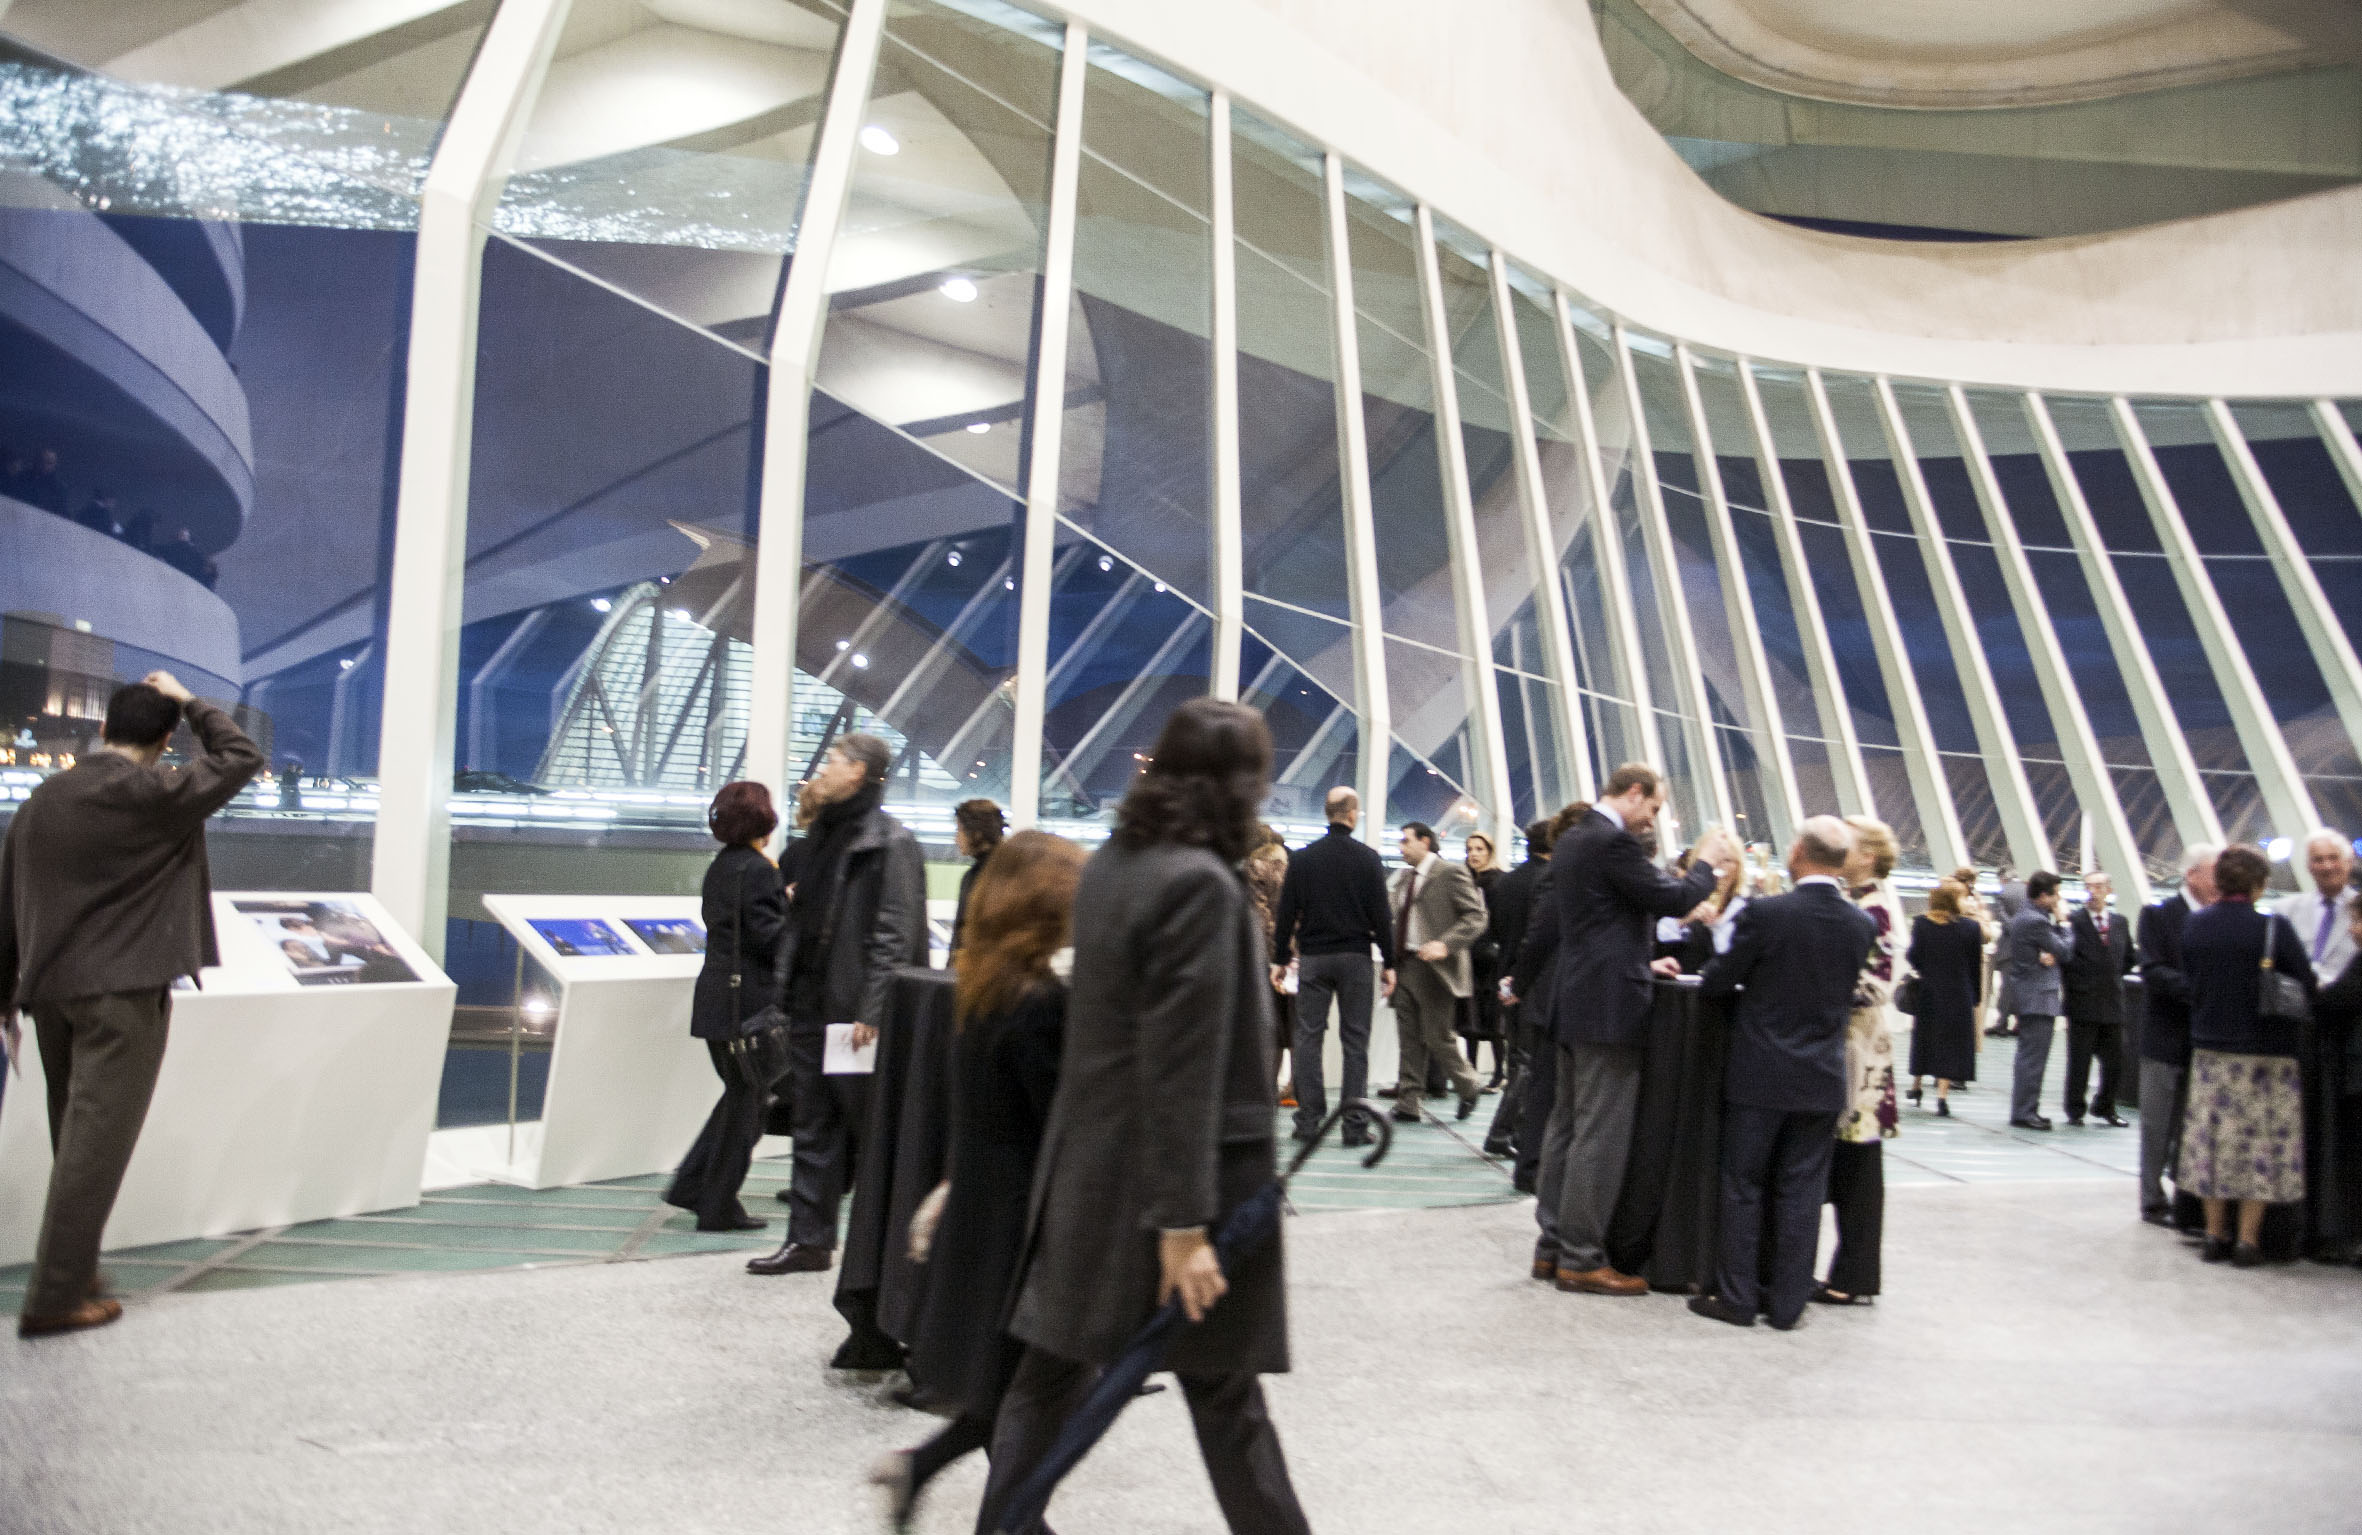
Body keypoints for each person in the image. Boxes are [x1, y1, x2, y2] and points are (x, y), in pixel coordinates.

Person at [978, 700, 1310, 1535]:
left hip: (1094, 1164)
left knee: (1058, 1373)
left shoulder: (1119, 865)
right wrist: (1183, 1221)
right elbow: (1184, 1059)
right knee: (1223, 1391)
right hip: (1172, 1178)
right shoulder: (1199, 882)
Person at [0, 672, 264, 1337]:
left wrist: (7, 989)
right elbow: (240, 757)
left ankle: (77, 1269)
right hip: (121, 997)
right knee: (97, 1149)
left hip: (50, 992)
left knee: (75, 1141)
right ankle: (55, 1297)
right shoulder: (154, 792)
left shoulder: (44, 797)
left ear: (101, 730)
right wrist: (191, 699)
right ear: (167, 735)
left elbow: (9, 897)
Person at [876, 830, 1083, 1531]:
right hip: (1023, 1217)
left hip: (983, 1205)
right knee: (1033, 1391)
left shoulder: (984, 985)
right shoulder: (1042, 1002)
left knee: (1009, 1389)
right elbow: (1058, 1120)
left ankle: (926, 1474)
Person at [1530, 765, 1733, 1295]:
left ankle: (1552, 1246)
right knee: (1600, 1132)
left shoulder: (1575, 839)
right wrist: (1708, 862)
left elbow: (1605, 920)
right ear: (1635, 793)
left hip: (1576, 998)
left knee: (1567, 1127)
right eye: (1654, 809)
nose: (1653, 820)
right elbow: (1672, 899)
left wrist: (1643, 961)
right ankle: (1581, 1257)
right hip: (1609, 1006)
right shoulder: (1612, 842)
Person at [747, 733, 926, 1277]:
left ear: (858, 773)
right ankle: (809, 1241)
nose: (822, 769)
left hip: (853, 1015)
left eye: (832, 761)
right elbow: (805, 926)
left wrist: (872, 1011)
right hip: (810, 1007)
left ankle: (893, 1249)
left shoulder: (889, 842)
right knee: (812, 1124)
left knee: (870, 1129)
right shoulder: (825, 834)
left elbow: (894, 935)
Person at [1689, 817, 1877, 1331]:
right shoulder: (1862, 925)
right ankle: (1788, 1303)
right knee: (1802, 1191)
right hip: (1820, 1077)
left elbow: (1718, 983)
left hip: (1760, 1073)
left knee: (1744, 1184)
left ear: (1796, 853)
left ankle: (1737, 1298)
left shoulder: (1768, 913)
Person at [2176, 844, 2313, 1266]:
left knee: (2212, 1144)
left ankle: (2214, 1235)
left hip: (2212, 1051)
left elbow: (2190, 980)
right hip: (2267, 1057)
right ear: (2258, 884)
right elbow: (2304, 980)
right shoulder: (2273, 929)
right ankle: (2247, 1241)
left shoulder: (2196, 926)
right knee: (2261, 1147)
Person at [663, 782, 785, 1233]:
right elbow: (769, 938)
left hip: (719, 1002)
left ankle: (694, 1187)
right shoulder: (758, 870)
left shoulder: (722, 867)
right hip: (749, 1006)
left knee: (739, 1099)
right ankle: (717, 1206)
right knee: (747, 1106)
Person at [1270, 786, 1396, 1147]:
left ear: (1327, 813)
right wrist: (1388, 962)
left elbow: (1286, 913)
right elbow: (1382, 917)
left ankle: (1308, 1122)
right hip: (1356, 958)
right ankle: (1354, 1127)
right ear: (1353, 814)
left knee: (1308, 1038)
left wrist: (1280, 959)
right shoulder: (1368, 859)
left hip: (1313, 959)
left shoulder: (1304, 859)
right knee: (1355, 1043)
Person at [1818, 815, 1901, 1307]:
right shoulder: (1862, 903)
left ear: (1867, 855)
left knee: (1858, 1165)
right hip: (1852, 1050)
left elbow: (1875, 986)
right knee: (1852, 1163)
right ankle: (1850, 1273)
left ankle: (1854, 1275)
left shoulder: (1876, 910)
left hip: (1859, 1056)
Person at [2277, 831, 2360, 1260]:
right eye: (2317, 860)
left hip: (2344, 1038)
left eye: (2333, 859)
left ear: (2347, 863)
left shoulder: (2359, 911)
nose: (2326, 866)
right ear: (2307, 866)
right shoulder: (2288, 910)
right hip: (2298, 1037)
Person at [1387, 821, 1490, 1123]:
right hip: (1406, 963)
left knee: (1437, 1036)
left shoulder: (1450, 873)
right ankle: (1408, 1102)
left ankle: (1468, 1086)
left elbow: (1476, 917)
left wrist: (1446, 944)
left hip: (1435, 969)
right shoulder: (1405, 878)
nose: (1401, 847)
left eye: (1406, 841)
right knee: (1408, 1038)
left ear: (1425, 842)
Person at [2137, 844, 2218, 1227]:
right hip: (2165, 1038)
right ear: (2193, 875)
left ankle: (2186, 1201)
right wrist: (2201, 989)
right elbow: (2152, 970)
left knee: (2192, 1125)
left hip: (2203, 1040)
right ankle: (2152, 1200)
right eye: (2215, 873)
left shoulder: (2218, 919)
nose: (2221, 881)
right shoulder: (2158, 916)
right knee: (2156, 1124)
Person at [1481, 819, 1553, 1156]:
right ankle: (1504, 1132)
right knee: (1528, 1062)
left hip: (1505, 975)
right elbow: (1538, 937)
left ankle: (1516, 1132)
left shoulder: (1507, 882)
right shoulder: (1548, 883)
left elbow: (1495, 931)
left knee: (1517, 1059)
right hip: (1531, 980)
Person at [1997, 871, 2074, 1130]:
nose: (2058, 899)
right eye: (2056, 893)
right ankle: (2025, 1112)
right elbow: (2065, 951)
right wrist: (2064, 923)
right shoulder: (2037, 921)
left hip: (2028, 994)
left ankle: (2024, 1109)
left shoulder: (2027, 916)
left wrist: (2046, 952)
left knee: (2028, 1057)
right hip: (2038, 997)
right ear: (2044, 895)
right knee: (2033, 1058)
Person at [1905, 879, 1983, 1116]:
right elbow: (1974, 966)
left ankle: (1916, 1086)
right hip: (1958, 994)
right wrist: (1975, 996)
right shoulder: (1970, 929)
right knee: (1950, 1043)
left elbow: (1913, 956)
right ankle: (1942, 1096)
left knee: (1924, 1038)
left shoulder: (1921, 925)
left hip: (1929, 992)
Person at [2063, 871, 2134, 1127]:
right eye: (2089, 886)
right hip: (2083, 1003)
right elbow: (2066, 960)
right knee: (2079, 1061)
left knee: (2116, 1059)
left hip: (2112, 1003)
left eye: (2099, 886)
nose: (2094, 891)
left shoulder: (2120, 923)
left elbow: (2127, 959)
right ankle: (2075, 1109)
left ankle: (2105, 1106)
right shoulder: (2074, 921)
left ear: (2108, 889)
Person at [1243, 825, 1292, 1101]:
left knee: (1267, 1026)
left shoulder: (1255, 868)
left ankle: (1266, 1087)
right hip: (1292, 959)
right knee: (1292, 1026)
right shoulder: (1291, 868)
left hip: (1264, 958)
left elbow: (1260, 916)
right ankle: (1294, 1086)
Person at [1458, 832, 1508, 1090]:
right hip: (1471, 957)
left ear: (1489, 851)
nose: (1473, 854)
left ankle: (1500, 1072)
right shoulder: (1467, 881)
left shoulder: (1497, 881)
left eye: (1479, 849)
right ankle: (1472, 1071)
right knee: (1471, 1016)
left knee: (1493, 1016)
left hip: (1492, 958)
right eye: (1470, 849)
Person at [950, 798, 1007, 957]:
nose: (956, 839)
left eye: (959, 830)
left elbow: (963, 933)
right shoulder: (1008, 871)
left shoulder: (980, 877)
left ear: (976, 833)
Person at [1987, 864, 2029, 1037]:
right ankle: (2021, 1023)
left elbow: (2004, 919)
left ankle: (2002, 1023)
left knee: (2007, 988)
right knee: (2023, 986)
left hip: (2010, 948)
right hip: (2028, 948)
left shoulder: (2003, 893)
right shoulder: (2029, 890)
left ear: (2002, 878)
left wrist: (2016, 932)